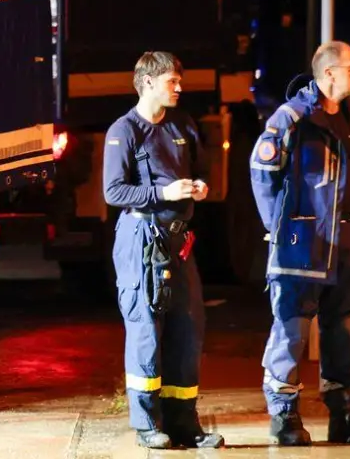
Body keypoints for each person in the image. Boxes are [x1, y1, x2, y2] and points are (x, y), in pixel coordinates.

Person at [250, 41, 350, 446]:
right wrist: (279, 229)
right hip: (302, 242)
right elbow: (262, 173)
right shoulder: (291, 118)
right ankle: (284, 416)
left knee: (342, 330)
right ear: (329, 74)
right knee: (291, 329)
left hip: (346, 241)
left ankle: (345, 415)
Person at [103, 51, 223, 449]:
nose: (179, 87)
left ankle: (185, 423)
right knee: (145, 330)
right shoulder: (124, 130)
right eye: (172, 80)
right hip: (141, 240)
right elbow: (114, 190)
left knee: (188, 327)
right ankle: (147, 424)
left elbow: (201, 169)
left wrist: (200, 187)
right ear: (148, 82)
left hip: (178, 241)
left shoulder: (182, 125)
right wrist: (162, 192)